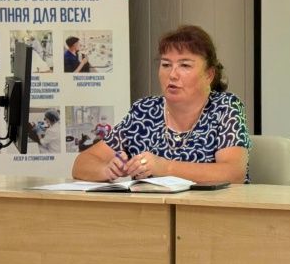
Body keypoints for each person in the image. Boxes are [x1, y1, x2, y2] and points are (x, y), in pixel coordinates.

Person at [72, 24, 249, 184]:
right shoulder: (144, 111)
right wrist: (106, 170)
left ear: (209, 75)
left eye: (185, 65)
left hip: (210, 208)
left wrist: (165, 168)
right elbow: (82, 163)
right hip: (150, 209)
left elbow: (233, 173)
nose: (172, 75)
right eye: (166, 65)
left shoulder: (225, 107)